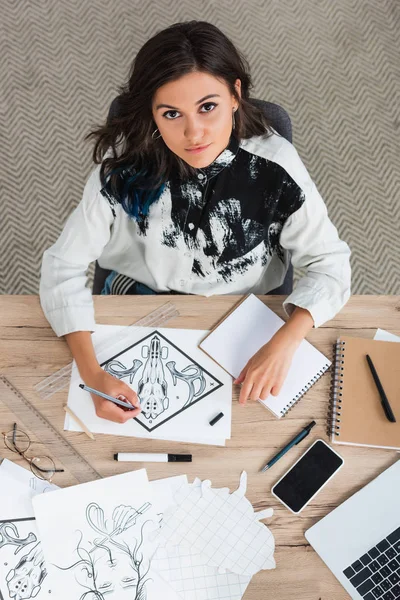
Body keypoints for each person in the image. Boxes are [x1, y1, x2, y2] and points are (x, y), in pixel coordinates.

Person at [40, 20, 351, 424]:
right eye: (172, 114)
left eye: (208, 107)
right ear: (151, 113)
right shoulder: (121, 171)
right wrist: (92, 372)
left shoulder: (276, 166)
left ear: (235, 95)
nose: (194, 133)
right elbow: (61, 267)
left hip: (245, 309)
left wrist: (284, 342)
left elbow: (330, 265)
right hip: (141, 296)